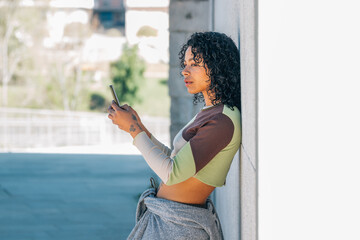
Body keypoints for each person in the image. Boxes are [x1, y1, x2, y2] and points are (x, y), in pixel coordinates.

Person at [107, 31, 241, 240]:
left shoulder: (222, 121)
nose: (185, 71)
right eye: (185, 64)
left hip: (179, 228)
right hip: (169, 221)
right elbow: (176, 159)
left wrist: (134, 130)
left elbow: (172, 172)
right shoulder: (211, 112)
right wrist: (139, 126)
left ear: (217, 66)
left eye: (194, 64)